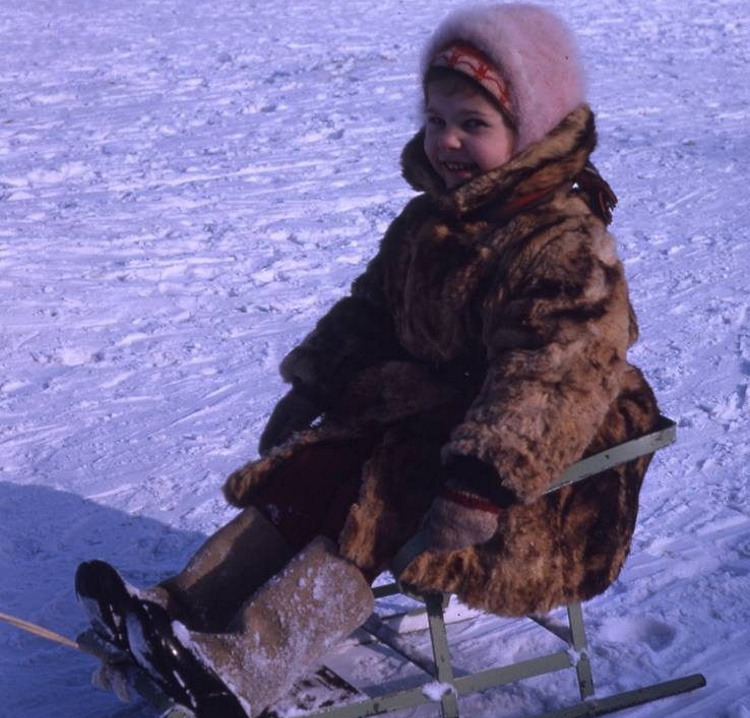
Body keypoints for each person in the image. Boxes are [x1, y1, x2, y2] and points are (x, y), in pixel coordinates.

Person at [75, 3, 661, 716]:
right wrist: (314, 381)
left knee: (382, 488)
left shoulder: (563, 244)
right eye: (436, 119)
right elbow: (373, 312)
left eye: (473, 125)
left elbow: (554, 371)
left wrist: (482, 476)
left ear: (531, 131)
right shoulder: (430, 223)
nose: (446, 141)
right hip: (443, 412)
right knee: (322, 462)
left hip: (543, 461)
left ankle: (250, 660)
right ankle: (183, 607)